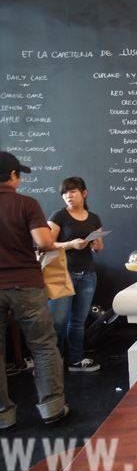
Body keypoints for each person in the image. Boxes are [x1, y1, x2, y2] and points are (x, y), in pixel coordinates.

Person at [0, 151, 68, 429]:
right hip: (26, 283)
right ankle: (52, 408)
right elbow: (43, 241)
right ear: (13, 175)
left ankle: (3, 415)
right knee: (42, 346)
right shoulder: (26, 204)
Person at [48, 177, 104, 373]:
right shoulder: (58, 216)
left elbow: (99, 249)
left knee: (78, 321)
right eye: (65, 193)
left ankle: (75, 360)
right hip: (62, 273)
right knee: (58, 321)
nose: (68, 196)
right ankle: (51, 363)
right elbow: (46, 244)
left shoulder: (94, 218)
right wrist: (71, 244)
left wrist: (96, 245)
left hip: (88, 273)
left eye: (72, 191)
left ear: (84, 193)